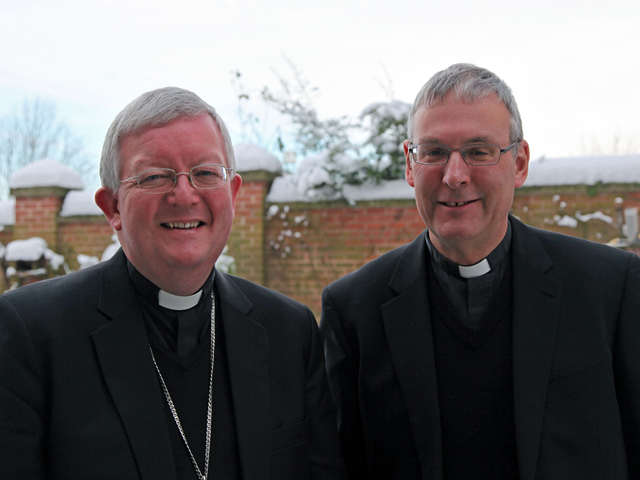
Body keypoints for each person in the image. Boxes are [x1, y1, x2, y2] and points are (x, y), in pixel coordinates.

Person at [0, 87, 345, 480]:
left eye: (205, 173)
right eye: (154, 177)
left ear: (232, 194)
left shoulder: (289, 331)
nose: (184, 195)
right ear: (112, 207)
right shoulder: (30, 334)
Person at [320, 64, 640, 479]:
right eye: (433, 152)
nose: (455, 176)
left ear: (519, 162)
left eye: (479, 151)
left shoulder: (610, 288)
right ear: (409, 164)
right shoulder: (354, 309)